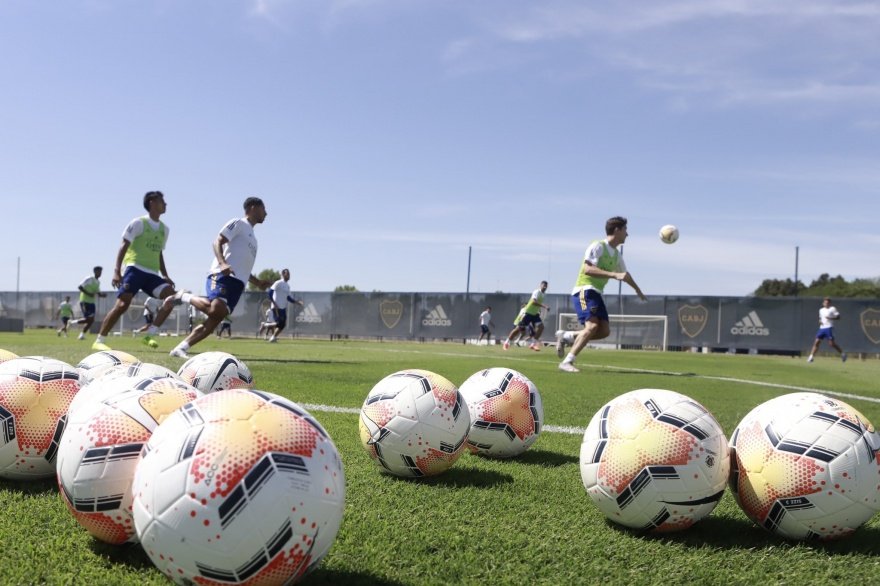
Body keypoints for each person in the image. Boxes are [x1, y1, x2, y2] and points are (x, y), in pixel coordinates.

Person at [168, 197, 272, 358]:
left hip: (238, 285)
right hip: (221, 275)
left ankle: (181, 348)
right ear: (253, 207)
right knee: (217, 309)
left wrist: (257, 282)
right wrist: (222, 263)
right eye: (263, 208)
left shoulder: (254, 239)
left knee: (216, 317)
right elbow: (217, 241)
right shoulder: (238, 223)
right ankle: (184, 296)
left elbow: (242, 267)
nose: (266, 213)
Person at [91, 192, 179, 351]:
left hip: (152, 274)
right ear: (152, 203)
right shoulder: (138, 223)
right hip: (134, 269)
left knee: (171, 297)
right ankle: (100, 340)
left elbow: (159, 253)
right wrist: (117, 271)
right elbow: (123, 245)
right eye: (162, 201)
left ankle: (149, 335)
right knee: (122, 304)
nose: (165, 204)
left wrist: (165, 275)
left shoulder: (164, 229)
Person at [557, 216, 646, 372]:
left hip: (596, 293)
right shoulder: (598, 246)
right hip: (584, 290)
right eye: (625, 230)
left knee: (604, 331)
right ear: (617, 230)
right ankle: (567, 361)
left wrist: (637, 289)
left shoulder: (617, 255)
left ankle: (567, 336)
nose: (627, 234)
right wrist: (613, 274)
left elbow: (625, 274)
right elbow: (588, 269)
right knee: (591, 326)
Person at [503, 281, 549, 351]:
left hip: (535, 314)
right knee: (518, 329)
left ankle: (533, 344)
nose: (545, 287)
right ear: (540, 285)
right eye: (544, 285)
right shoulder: (536, 292)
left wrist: (540, 310)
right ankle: (506, 342)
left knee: (541, 327)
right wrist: (544, 306)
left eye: (546, 286)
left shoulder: (543, 294)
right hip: (528, 313)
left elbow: (538, 304)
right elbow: (533, 302)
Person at [69, 266, 107, 340]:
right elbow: (80, 287)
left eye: (101, 272)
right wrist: (88, 293)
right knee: (88, 318)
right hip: (84, 301)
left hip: (92, 303)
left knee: (91, 320)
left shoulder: (98, 282)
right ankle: (72, 323)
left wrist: (102, 295)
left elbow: (98, 293)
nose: (100, 273)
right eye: (98, 271)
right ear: (95, 272)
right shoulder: (89, 279)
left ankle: (81, 334)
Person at [267, 268, 303, 343]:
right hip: (276, 307)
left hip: (283, 308)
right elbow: (270, 293)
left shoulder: (287, 286)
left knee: (282, 325)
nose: (289, 275)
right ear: (283, 274)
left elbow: (288, 298)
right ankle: (265, 325)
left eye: (289, 274)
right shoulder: (278, 283)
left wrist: (297, 302)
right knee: (279, 322)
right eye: (287, 274)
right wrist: (274, 303)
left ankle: (273, 337)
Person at [807, 297, 847, 363]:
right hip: (822, 328)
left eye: (828, 302)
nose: (826, 303)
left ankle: (843, 354)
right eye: (825, 302)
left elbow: (838, 317)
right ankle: (811, 357)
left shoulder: (832, 308)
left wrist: (831, 318)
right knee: (816, 342)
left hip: (829, 328)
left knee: (831, 344)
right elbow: (820, 318)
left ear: (830, 303)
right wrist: (820, 321)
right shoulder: (821, 310)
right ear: (823, 303)